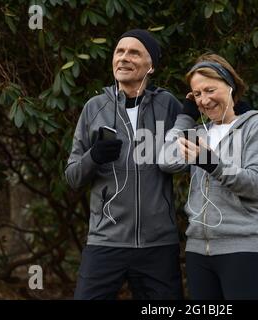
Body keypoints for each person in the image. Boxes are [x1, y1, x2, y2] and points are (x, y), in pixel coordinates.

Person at [65, 29, 184, 300]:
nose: (124, 58)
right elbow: (72, 177)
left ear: (151, 65)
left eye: (134, 52)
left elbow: (192, 156)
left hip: (158, 245)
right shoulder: (94, 108)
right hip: (106, 241)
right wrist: (93, 157)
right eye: (119, 51)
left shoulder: (168, 106)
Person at [159, 53, 258, 299]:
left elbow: (257, 185)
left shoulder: (257, 127)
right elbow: (166, 161)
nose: (204, 100)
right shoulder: (197, 133)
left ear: (230, 86)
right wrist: (185, 115)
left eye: (209, 90)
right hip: (197, 252)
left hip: (243, 247)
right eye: (197, 94)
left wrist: (210, 162)